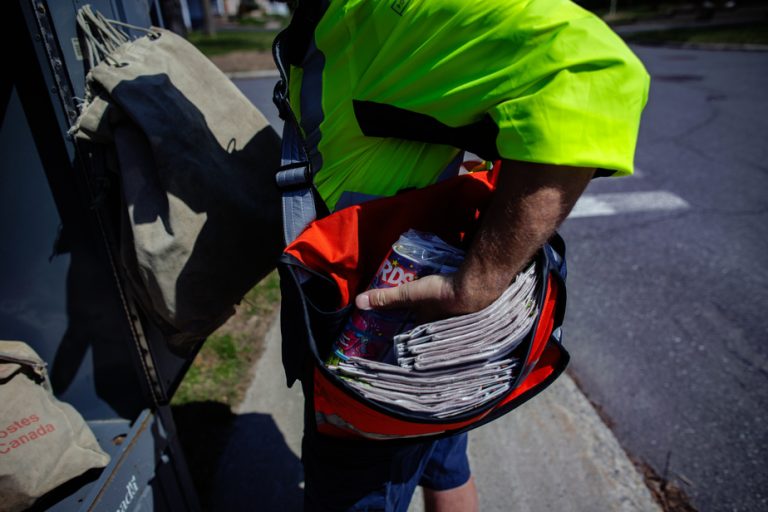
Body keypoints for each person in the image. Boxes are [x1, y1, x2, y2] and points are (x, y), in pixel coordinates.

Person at [276, 1, 649, 510]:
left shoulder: (387, 11)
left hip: (376, 344)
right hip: (424, 330)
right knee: (445, 461)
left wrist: (478, 282)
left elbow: (587, 68)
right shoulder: (338, 15)